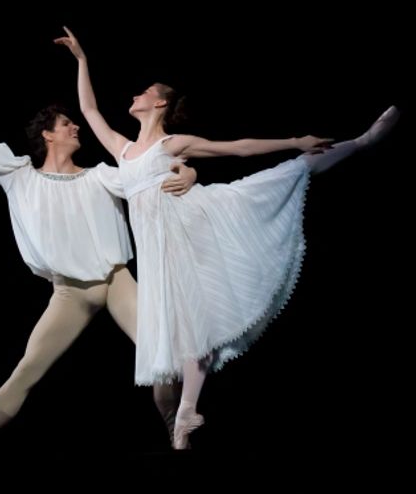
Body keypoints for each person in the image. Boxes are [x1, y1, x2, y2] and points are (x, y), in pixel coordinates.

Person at [55, 27, 400, 449]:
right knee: (184, 334)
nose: (135, 95)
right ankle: (182, 418)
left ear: (159, 102)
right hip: (157, 251)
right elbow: (89, 111)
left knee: (286, 173)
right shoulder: (123, 150)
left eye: (144, 91)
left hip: (194, 225)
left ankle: (361, 141)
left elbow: (238, 148)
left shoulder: (173, 143)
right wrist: (82, 60)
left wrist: (294, 140)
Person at [0, 95, 197, 453]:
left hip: (116, 282)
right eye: (67, 124)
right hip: (70, 293)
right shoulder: (19, 176)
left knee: (166, 357)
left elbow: (149, 175)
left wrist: (188, 172)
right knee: (26, 371)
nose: (76, 127)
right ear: (48, 136)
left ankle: (178, 436)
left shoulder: (101, 176)